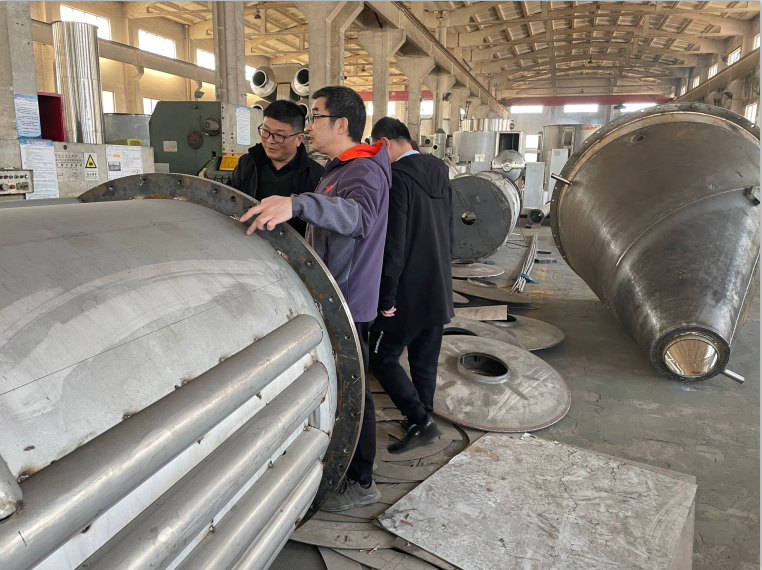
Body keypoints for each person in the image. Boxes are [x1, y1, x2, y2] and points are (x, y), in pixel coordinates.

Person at [240, 86, 391, 511]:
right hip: (334, 294)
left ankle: (361, 481)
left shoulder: (362, 171)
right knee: (346, 385)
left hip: (348, 300)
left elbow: (359, 217)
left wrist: (298, 204)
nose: (308, 127)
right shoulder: (340, 168)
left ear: (340, 124)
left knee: (355, 391)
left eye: (315, 117)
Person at [368, 117, 454, 454]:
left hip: (407, 292)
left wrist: (386, 295)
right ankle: (423, 417)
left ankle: (420, 421)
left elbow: (395, 244)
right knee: (424, 360)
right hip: (438, 287)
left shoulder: (398, 179)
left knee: (381, 357)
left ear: (385, 143)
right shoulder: (440, 172)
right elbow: (449, 232)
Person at [230, 99, 324, 236]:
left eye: (279, 135)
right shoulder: (247, 163)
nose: (269, 140)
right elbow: (230, 200)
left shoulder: (316, 176)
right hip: (247, 239)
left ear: (299, 139)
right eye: (265, 131)